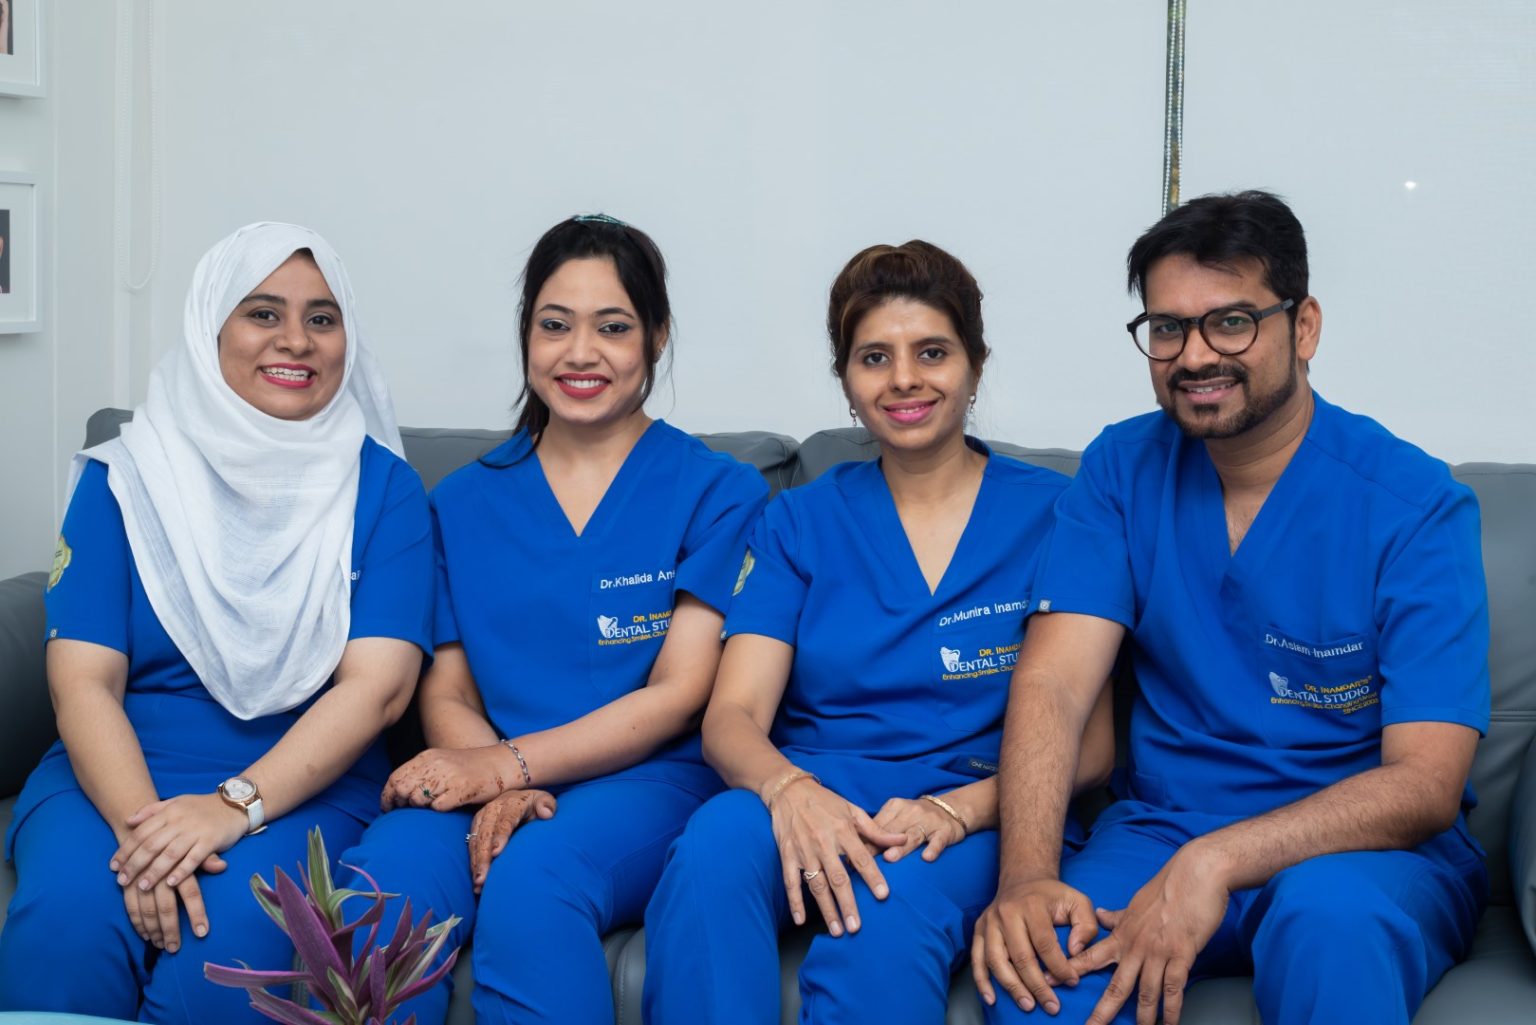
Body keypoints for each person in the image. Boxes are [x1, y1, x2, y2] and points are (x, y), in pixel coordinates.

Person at [971, 190, 1489, 1025]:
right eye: (1167, 328)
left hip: (1361, 855)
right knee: (1040, 983)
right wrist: (1027, 877)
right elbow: (1055, 686)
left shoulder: (1414, 505)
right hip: (1162, 827)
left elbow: (1426, 784)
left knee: (1332, 929)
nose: (1195, 354)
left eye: (1232, 321)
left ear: (1304, 326)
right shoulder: (1120, 470)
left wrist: (1218, 860)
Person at [642, 240, 1115, 1025]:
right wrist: (791, 790)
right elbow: (732, 717)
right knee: (709, 855)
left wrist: (958, 809)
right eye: (874, 357)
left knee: (880, 927)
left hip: (981, 802)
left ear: (976, 360)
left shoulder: (1057, 513)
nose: (904, 379)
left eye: (932, 351)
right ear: (846, 379)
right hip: (820, 786)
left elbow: (1093, 748)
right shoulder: (798, 518)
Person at [337, 214, 769, 1025]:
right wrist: (494, 775)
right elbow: (449, 690)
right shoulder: (459, 500)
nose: (580, 353)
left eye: (613, 327)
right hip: (481, 770)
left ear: (657, 337)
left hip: (653, 779)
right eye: (554, 325)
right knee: (379, 883)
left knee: (537, 876)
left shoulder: (720, 490)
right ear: (525, 334)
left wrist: (513, 771)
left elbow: (679, 692)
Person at [0, 223, 434, 1023]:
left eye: (322, 317)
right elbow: (84, 683)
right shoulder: (126, 477)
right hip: (114, 771)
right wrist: (150, 842)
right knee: (68, 917)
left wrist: (230, 807)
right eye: (262, 313)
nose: (295, 340)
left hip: (302, 783)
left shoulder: (387, 490)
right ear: (212, 328)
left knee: (228, 944)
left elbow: (378, 691)